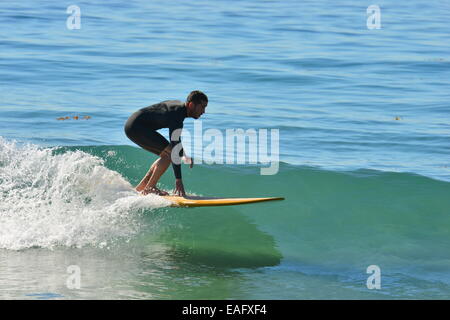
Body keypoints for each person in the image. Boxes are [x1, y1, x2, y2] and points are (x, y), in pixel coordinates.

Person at [124, 90, 208, 196]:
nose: (204, 111)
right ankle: (150, 188)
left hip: (133, 126)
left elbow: (176, 143)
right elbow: (175, 148)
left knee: (166, 154)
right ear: (191, 105)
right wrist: (178, 180)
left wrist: (183, 153)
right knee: (169, 155)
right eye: (202, 107)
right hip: (137, 127)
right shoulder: (177, 115)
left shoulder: (178, 109)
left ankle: (142, 186)